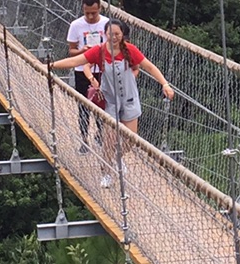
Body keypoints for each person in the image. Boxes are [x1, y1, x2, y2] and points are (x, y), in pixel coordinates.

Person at [49, 20, 173, 183]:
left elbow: (149, 67)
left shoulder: (130, 50)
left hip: (129, 100)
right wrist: (51, 65)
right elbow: (76, 61)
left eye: (117, 34)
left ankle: (116, 156)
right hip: (110, 101)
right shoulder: (99, 51)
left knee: (131, 141)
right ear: (104, 34)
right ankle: (106, 173)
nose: (113, 37)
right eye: (110, 34)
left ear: (122, 35)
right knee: (108, 139)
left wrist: (165, 84)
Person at [65, 0, 109, 147]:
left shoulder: (107, 24)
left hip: (102, 70)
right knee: (83, 106)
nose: (90, 16)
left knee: (102, 105)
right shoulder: (76, 25)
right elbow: (71, 51)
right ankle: (84, 141)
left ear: (100, 9)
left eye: (94, 13)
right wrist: (81, 51)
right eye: (87, 13)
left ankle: (100, 135)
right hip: (81, 70)